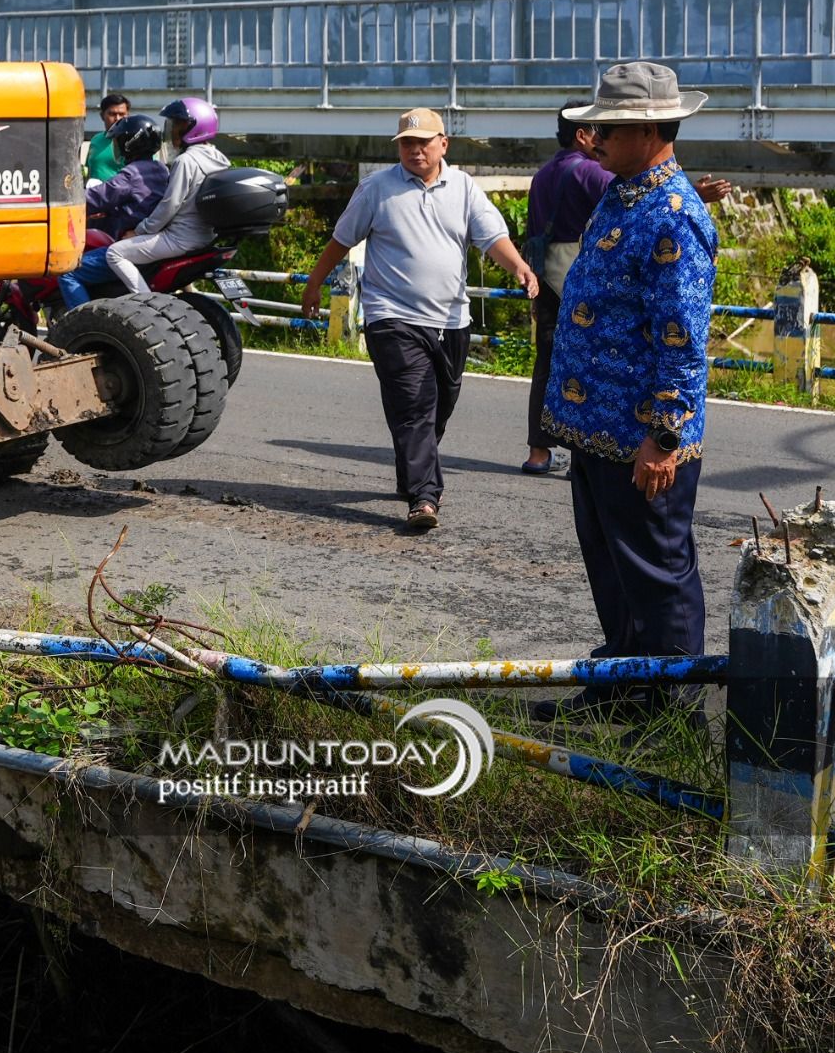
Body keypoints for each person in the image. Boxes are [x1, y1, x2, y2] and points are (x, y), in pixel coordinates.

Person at [538, 63, 718, 716]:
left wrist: (663, 438)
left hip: (642, 437)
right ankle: (621, 688)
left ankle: (671, 711)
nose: (594, 138)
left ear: (648, 131)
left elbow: (682, 342)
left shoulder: (674, 215)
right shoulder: (623, 193)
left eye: (608, 128)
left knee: (657, 576)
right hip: (595, 428)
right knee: (615, 571)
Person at [300, 108, 540, 532]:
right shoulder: (376, 189)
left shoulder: (463, 187)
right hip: (391, 315)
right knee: (414, 404)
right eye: (407, 143)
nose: (415, 150)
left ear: (443, 144)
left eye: (423, 142)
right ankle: (424, 497)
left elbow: (492, 237)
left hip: (451, 319)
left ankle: (411, 469)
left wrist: (519, 266)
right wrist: (314, 283)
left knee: (439, 407)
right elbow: (341, 240)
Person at [520, 114, 611, 474]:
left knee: (545, 364)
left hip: (545, 280)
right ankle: (580, 457)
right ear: (581, 135)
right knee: (588, 365)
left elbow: (532, 233)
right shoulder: (592, 172)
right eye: (598, 131)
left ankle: (538, 453)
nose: (602, 139)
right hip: (582, 281)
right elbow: (630, 205)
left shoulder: (541, 175)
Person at [105, 97, 228, 293]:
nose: (173, 130)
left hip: (180, 238)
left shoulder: (186, 161)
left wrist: (139, 231)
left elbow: (169, 205)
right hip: (205, 236)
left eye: (178, 124)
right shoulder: (219, 158)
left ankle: (145, 302)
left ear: (195, 127)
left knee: (115, 253)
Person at [59, 114, 167, 306]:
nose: (115, 148)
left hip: (132, 246)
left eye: (117, 142)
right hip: (153, 244)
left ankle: (80, 322)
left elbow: (96, 197)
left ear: (129, 144)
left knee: (67, 272)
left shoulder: (131, 174)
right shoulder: (161, 169)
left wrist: (62, 201)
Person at [84, 93, 131, 184]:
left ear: (128, 116)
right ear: (102, 116)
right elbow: (88, 171)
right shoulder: (96, 140)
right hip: (94, 192)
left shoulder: (135, 142)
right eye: (112, 114)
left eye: (121, 114)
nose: (117, 118)